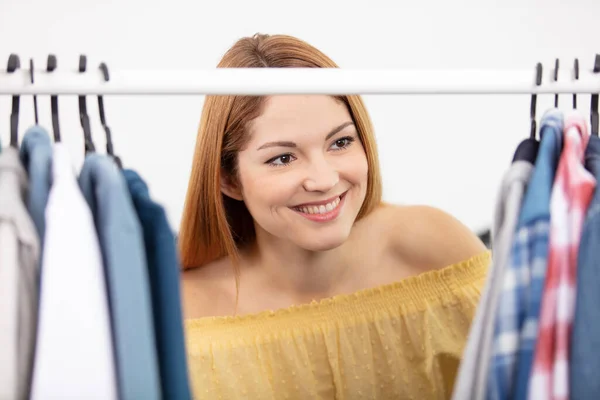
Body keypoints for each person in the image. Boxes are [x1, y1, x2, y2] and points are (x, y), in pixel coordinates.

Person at [179, 33, 491, 400]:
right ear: (229, 179)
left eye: (340, 142)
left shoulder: (437, 247)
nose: (325, 180)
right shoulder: (186, 315)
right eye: (282, 158)